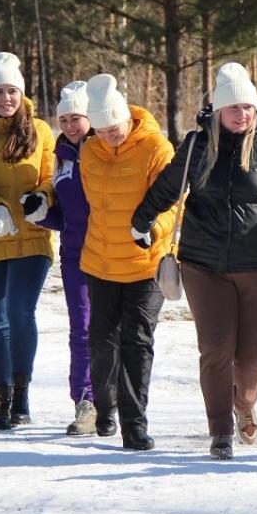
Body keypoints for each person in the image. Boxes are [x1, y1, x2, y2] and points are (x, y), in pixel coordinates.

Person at [132, 63, 257, 460]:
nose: (242, 115)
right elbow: (166, 188)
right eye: (233, 108)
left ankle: (244, 402)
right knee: (215, 348)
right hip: (202, 265)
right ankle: (220, 432)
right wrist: (141, 220)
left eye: (248, 107)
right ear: (217, 110)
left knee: (255, 351)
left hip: (256, 264)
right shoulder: (196, 146)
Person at [79, 74, 175, 450]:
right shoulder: (89, 151)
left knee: (137, 341)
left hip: (146, 262)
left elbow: (175, 204)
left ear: (126, 117)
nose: (108, 136)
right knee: (102, 343)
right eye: (100, 130)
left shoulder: (156, 147)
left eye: (113, 128)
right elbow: (93, 203)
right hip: (101, 261)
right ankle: (106, 407)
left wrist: (152, 228)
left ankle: (134, 425)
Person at [0, 52, 56, 430]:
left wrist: (40, 198)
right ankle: (3, 401)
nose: (5, 98)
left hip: (33, 236)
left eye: (11, 91)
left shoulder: (40, 130)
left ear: (21, 93)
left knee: (21, 314)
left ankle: (22, 396)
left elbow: (50, 176)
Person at [32, 81, 98, 436]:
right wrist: (40, 214)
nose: (70, 125)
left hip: (111, 253)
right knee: (82, 330)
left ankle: (114, 399)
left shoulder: (104, 149)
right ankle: (85, 402)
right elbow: (68, 218)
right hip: (74, 256)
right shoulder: (60, 156)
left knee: (112, 330)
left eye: (77, 117)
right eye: (64, 119)